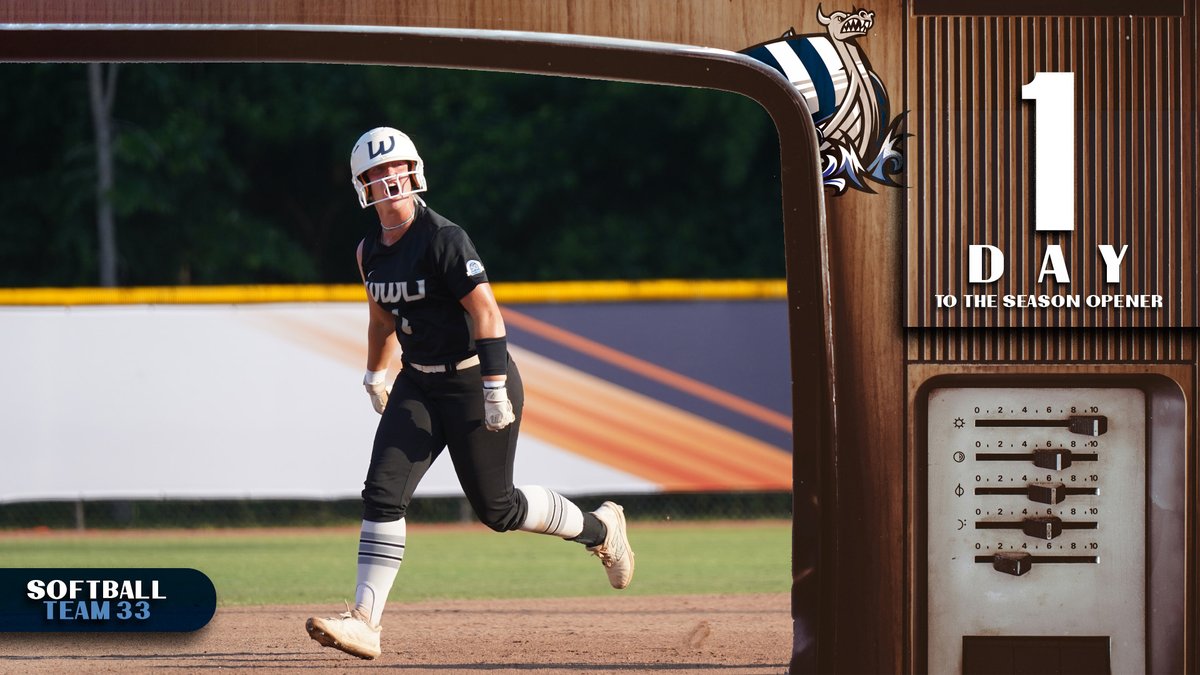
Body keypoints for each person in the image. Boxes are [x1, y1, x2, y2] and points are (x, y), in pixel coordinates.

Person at [305, 127, 635, 660]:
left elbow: (486, 312)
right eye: (376, 172)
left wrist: (495, 386)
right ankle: (365, 621)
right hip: (417, 380)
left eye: (396, 168)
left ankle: (602, 528)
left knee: (497, 508)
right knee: (383, 492)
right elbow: (381, 318)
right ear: (361, 184)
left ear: (413, 171)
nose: (389, 178)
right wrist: (374, 374)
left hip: (471, 378)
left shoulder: (443, 238)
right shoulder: (369, 251)